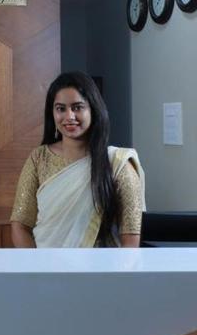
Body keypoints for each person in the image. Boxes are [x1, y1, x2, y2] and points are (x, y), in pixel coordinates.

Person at [10, 71, 145, 248]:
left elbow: (131, 236)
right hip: (46, 268)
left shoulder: (117, 164)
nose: (69, 117)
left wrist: (117, 275)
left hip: (100, 270)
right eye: (60, 109)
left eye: (77, 107)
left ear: (93, 110)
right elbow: (20, 225)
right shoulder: (39, 158)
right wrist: (38, 269)